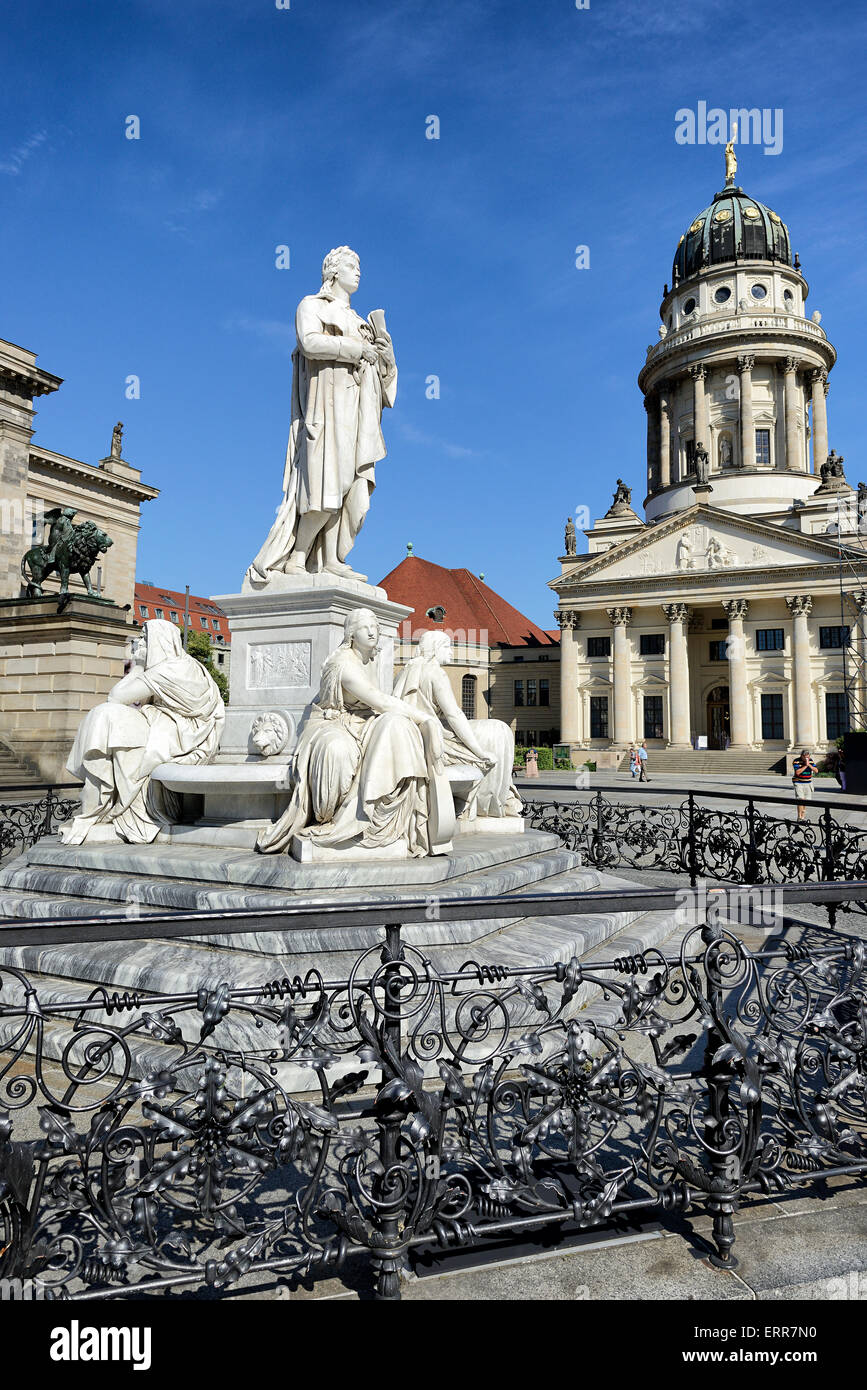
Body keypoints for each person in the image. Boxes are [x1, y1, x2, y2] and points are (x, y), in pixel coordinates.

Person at [246, 246, 397, 585]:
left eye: (359, 266)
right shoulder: (311, 306)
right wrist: (357, 350)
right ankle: (298, 556)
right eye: (351, 265)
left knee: (353, 493)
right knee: (327, 484)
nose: (358, 272)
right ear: (333, 272)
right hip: (326, 410)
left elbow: (385, 387)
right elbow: (310, 343)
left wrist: (386, 359)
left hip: (359, 413)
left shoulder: (362, 324)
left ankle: (332, 559)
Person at [256, 608, 442, 856]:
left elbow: (382, 704)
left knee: (399, 726)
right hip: (333, 724)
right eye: (366, 627)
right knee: (338, 750)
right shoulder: (343, 663)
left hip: (362, 723)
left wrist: (416, 720)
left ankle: (383, 817)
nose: (373, 631)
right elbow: (380, 701)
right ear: (351, 634)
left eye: (375, 626)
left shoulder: (369, 661)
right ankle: (333, 819)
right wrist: (426, 718)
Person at [60, 619, 225, 845]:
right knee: (105, 717)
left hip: (181, 735)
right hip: (173, 727)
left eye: (146, 638)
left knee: (106, 715)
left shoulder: (168, 670)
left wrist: (137, 665)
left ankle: (104, 805)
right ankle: (102, 802)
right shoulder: (184, 664)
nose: (140, 643)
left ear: (159, 641)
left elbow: (117, 697)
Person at [393, 630, 522, 819]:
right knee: (498, 731)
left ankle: (500, 798)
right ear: (435, 649)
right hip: (434, 738)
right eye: (447, 647)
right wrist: (479, 752)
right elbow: (454, 715)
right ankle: (492, 804)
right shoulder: (436, 673)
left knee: (495, 731)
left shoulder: (403, 673)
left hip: (416, 737)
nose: (451, 652)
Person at [792, 749, 816, 820]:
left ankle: (803, 816)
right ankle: (799, 817)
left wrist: (809, 765)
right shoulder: (796, 761)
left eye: (808, 757)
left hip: (808, 782)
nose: (807, 759)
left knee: (805, 800)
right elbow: (798, 772)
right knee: (800, 799)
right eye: (805, 757)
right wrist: (806, 765)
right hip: (798, 782)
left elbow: (816, 770)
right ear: (801, 756)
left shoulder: (811, 761)